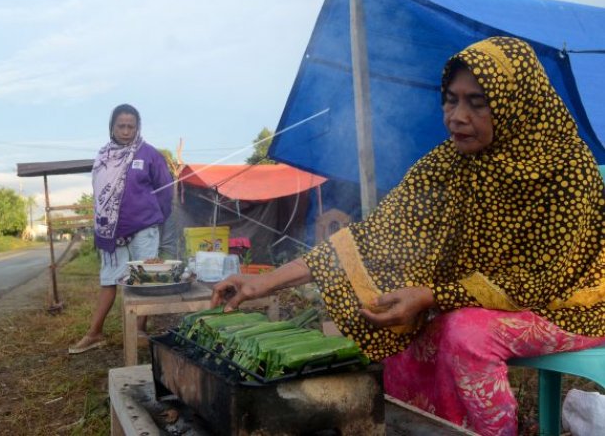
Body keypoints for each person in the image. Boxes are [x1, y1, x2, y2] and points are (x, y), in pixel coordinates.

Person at [211, 37, 605, 436]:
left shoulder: (566, 167)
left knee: (465, 332)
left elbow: (540, 281)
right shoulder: (449, 164)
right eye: (451, 100)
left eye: (477, 102)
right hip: (479, 303)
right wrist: (265, 282)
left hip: (571, 303)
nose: (457, 116)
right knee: (402, 329)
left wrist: (433, 295)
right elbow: (373, 238)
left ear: (515, 102)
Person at [69, 104, 173, 355]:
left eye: (131, 126)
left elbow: (166, 190)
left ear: (138, 128)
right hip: (111, 234)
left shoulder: (149, 155)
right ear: (112, 127)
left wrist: (153, 217)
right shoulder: (104, 156)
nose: (126, 131)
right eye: (121, 126)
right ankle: (94, 334)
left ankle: (138, 331)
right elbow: (99, 195)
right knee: (109, 281)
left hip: (144, 228)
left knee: (144, 281)